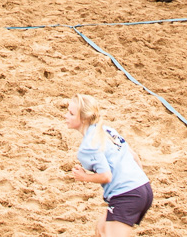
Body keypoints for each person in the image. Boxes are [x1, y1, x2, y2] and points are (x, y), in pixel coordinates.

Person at [65, 95, 154, 234]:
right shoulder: (107, 130)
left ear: (83, 118)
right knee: (101, 230)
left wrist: (84, 177)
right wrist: (139, 184)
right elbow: (134, 157)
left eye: (71, 114)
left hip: (127, 195)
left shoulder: (87, 146)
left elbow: (106, 176)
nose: (66, 116)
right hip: (144, 188)